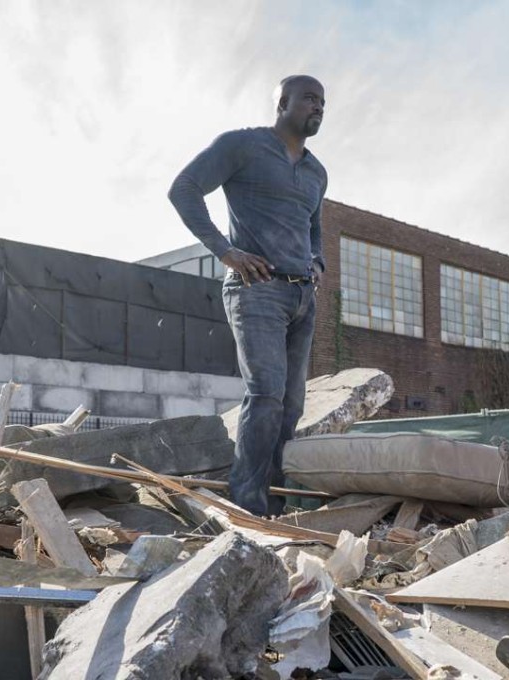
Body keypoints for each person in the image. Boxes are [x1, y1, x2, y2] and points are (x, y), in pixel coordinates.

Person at [168, 75, 328, 516]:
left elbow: (314, 225)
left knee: (292, 404)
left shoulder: (317, 172)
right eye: (309, 99)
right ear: (282, 103)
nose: (318, 108)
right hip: (256, 291)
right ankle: (247, 506)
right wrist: (226, 251)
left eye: (323, 102)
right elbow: (183, 190)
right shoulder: (241, 146)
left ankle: (275, 502)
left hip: (302, 298)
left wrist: (318, 262)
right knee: (266, 394)